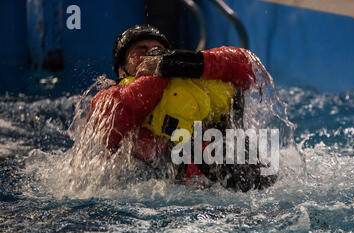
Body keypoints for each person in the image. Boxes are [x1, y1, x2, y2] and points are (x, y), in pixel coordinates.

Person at [86, 25, 276, 191]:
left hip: (220, 187)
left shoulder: (190, 82)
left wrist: (172, 64)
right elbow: (119, 114)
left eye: (158, 49)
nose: (153, 53)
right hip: (153, 192)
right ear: (122, 70)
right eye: (141, 50)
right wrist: (156, 76)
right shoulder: (107, 98)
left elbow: (246, 64)